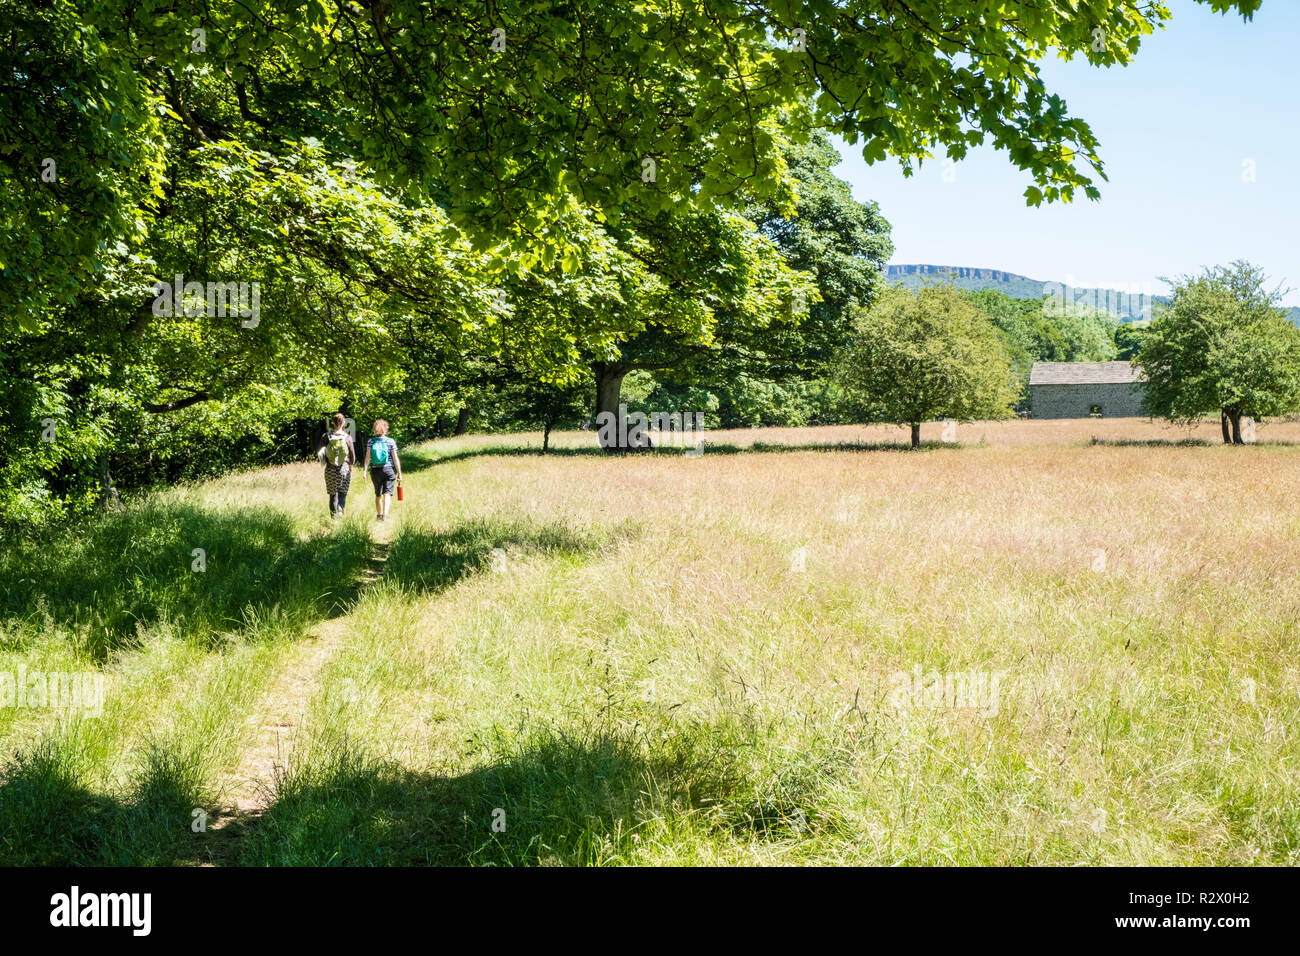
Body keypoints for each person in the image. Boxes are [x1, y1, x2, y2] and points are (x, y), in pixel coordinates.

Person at [317, 413, 355, 518]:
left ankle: (334, 519)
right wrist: (351, 465)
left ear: (332, 423)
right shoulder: (347, 437)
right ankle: (340, 513)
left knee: (333, 495)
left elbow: (320, 452)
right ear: (343, 423)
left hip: (330, 469)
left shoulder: (326, 436)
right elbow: (352, 455)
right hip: (344, 469)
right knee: (342, 493)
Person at [364, 419, 402, 521]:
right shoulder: (390, 441)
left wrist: (364, 471)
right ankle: (385, 514)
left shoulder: (371, 441)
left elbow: (367, 457)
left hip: (375, 471)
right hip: (388, 469)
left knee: (378, 494)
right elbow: (395, 458)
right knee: (387, 493)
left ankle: (379, 516)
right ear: (386, 429)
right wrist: (399, 473)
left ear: (374, 429)